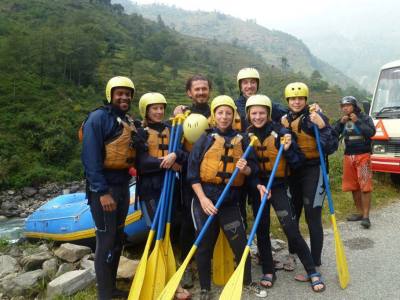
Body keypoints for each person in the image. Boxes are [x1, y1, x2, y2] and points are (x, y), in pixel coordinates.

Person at [187, 95, 267, 299]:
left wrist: (246, 168)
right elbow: (192, 174)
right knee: (204, 245)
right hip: (205, 201)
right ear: (214, 115)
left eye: (228, 113)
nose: (224, 117)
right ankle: (205, 289)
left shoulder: (245, 141)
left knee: (241, 245)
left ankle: (247, 282)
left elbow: (253, 171)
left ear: (233, 116)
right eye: (220, 113)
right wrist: (203, 199)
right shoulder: (204, 140)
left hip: (230, 201)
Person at [246, 94, 326, 292]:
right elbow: (249, 167)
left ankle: (311, 270)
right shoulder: (245, 136)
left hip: (279, 186)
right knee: (262, 229)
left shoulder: (282, 132)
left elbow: (298, 162)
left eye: (262, 113)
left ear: (268, 114)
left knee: (290, 228)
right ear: (248, 115)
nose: (258, 117)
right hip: (258, 188)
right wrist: (257, 184)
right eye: (254, 113)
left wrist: (289, 149)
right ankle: (268, 269)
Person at [81, 76, 136, 300]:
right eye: (119, 93)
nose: (124, 97)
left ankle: (111, 289)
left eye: (127, 93)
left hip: (122, 185)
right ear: (110, 94)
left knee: (117, 237)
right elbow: (90, 159)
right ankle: (104, 294)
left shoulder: (127, 120)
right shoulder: (97, 118)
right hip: (104, 189)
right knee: (105, 240)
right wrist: (102, 192)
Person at [281, 82, 338, 274]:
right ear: (287, 101)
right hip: (294, 172)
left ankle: (315, 264)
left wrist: (322, 127)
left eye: (300, 98)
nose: (296, 102)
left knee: (312, 217)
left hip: (314, 170)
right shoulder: (285, 120)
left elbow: (331, 147)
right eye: (292, 99)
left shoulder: (314, 118)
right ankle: (293, 254)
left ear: (305, 99)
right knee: (293, 215)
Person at [172, 75, 212, 289]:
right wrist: (182, 160)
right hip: (191, 176)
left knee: (215, 216)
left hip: (214, 176)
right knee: (188, 220)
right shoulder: (182, 116)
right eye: (196, 89)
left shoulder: (218, 113)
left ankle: (208, 259)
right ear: (189, 93)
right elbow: (175, 148)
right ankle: (186, 264)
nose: (200, 93)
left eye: (204, 89)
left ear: (209, 91)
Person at [333, 96, 375, 228]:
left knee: (365, 185)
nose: (345, 108)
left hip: (363, 155)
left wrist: (358, 122)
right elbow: (333, 132)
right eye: (343, 106)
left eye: (348, 105)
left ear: (354, 106)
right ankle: (359, 212)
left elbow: (371, 132)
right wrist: (340, 122)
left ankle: (366, 217)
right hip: (348, 155)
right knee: (353, 186)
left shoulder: (365, 118)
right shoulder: (343, 120)